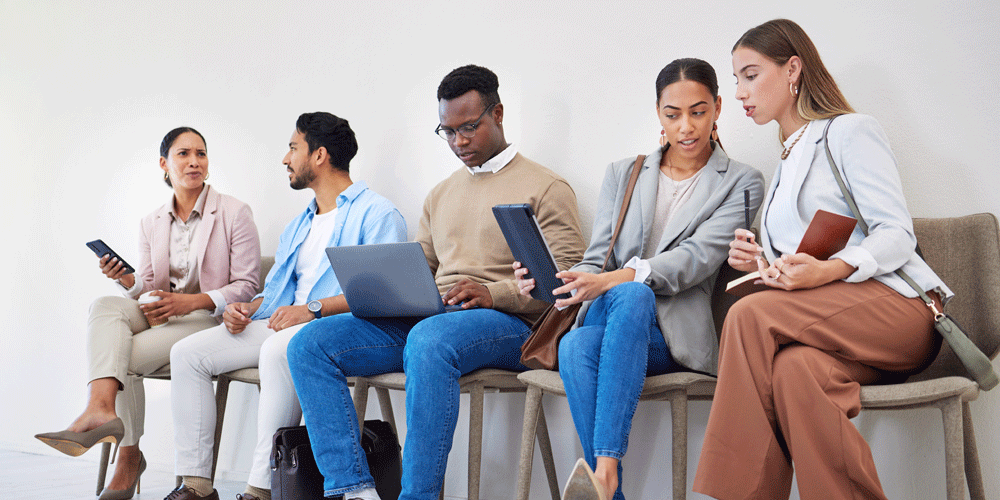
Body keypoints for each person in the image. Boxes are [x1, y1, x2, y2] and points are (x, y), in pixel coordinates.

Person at [286, 64, 585, 500]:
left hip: (511, 325)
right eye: (447, 131)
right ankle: (352, 490)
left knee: (429, 340)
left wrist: (493, 292)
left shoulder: (546, 186)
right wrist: (384, 287)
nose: (458, 142)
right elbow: (422, 265)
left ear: (498, 114)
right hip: (435, 316)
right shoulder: (442, 192)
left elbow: (568, 278)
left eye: (469, 128)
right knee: (309, 344)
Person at [692, 19, 953, 500]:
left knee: (748, 315)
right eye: (736, 80)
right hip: (836, 327)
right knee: (795, 373)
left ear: (792, 69)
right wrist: (761, 263)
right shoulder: (786, 161)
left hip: (900, 313)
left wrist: (830, 270)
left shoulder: (849, 132)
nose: (741, 92)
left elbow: (897, 233)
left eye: (750, 75)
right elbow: (805, 257)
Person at [514, 59, 765, 500]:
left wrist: (619, 279)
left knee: (583, 338)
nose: (685, 127)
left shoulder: (743, 182)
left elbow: (695, 260)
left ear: (718, 108)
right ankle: (609, 479)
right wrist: (555, 282)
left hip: (671, 337)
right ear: (658, 113)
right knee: (605, 313)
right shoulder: (623, 173)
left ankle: (605, 476)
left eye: (698, 111)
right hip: (612, 319)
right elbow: (597, 259)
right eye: (673, 114)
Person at [163, 112, 407, 500]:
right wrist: (244, 308)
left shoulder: (377, 215)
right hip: (283, 320)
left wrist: (311, 309)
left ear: (319, 155)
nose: (285, 158)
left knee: (282, 348)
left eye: (293, 148)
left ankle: (259, 489)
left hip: (330, 327)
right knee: (188, 354)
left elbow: (384, 296)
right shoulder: (301, 223)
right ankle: (195, 485)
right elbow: (277, 294)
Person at [35, 127, 261, 500]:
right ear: (164, 163)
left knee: (122, 356)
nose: (194, 162)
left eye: (201, 154)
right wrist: (127, 280)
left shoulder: (234, 212)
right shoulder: (151, 221)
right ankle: (101, 409)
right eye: (184, 154)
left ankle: (127, 456)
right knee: (105, 305)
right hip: (165, 315)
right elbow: (151, 287)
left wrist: (190, 302)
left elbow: (247, 286)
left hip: (208, 319)